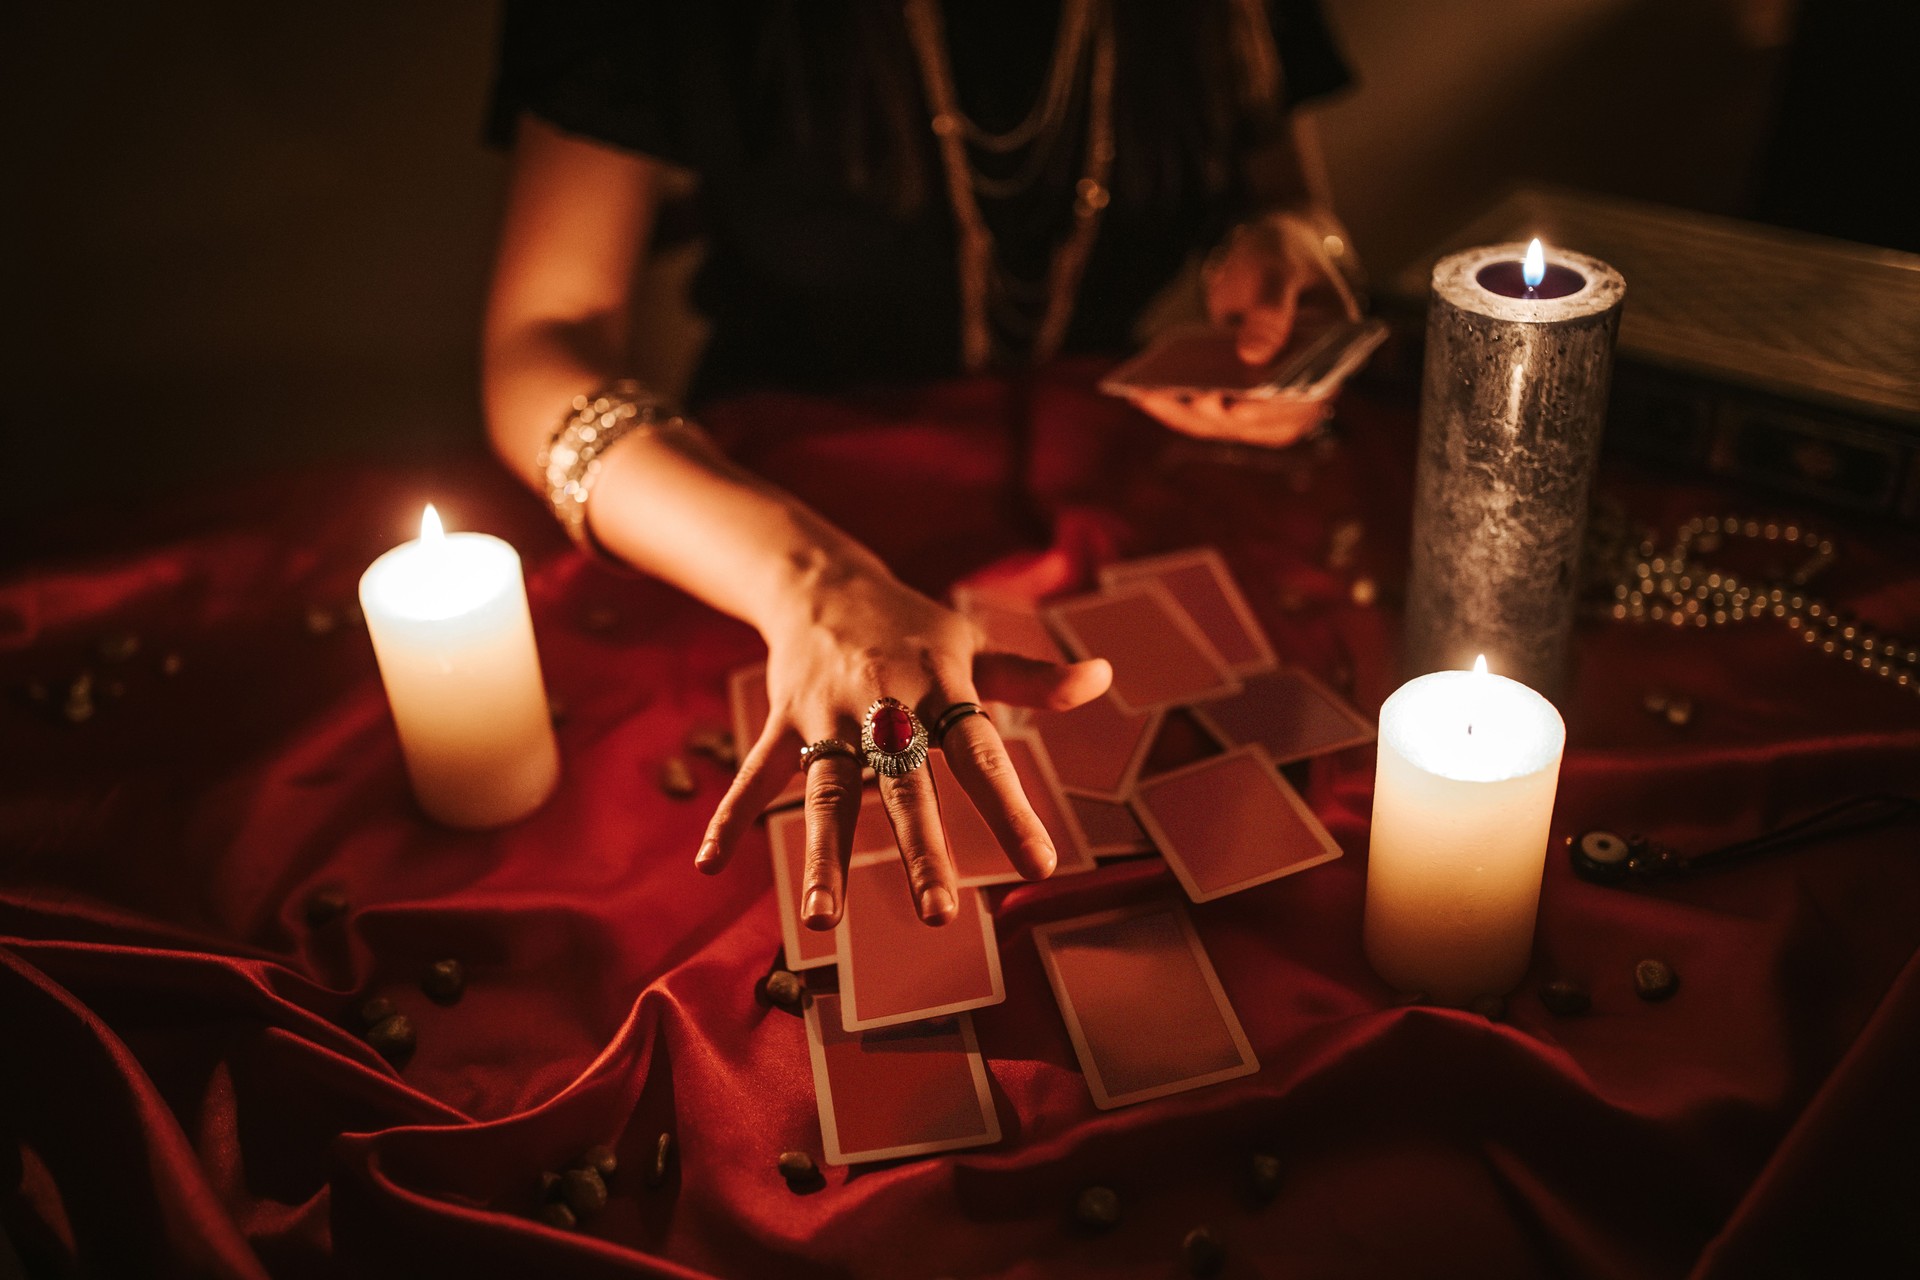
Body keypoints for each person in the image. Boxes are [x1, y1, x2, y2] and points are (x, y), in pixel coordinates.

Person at [481, 0, 1355, 928]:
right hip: (759, 511)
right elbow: (540, 344)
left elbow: (1286, 199)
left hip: (1121, 469)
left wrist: (1298, 259)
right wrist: (809, 583)